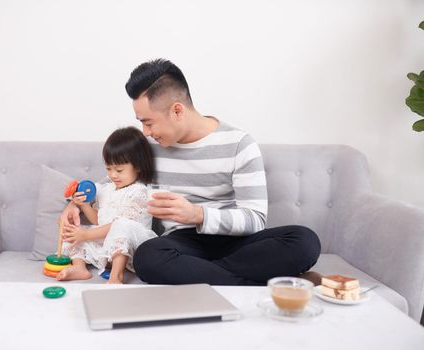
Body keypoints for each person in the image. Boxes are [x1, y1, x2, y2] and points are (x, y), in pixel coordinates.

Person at [62, 59, 322, 286]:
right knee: (147, 257)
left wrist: (197, 214)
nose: (145, 132)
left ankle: (211, 276)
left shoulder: (239, 143)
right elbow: (116, 179)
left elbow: (255, 219)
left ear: (177, 110)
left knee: (305, 241)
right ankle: (260, 281)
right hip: (182, 245)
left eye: (148, 122)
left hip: (235, 242)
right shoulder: (150, 147)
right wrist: (77, 201)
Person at [57, 126, 157, 284]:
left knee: (121, 226)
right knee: (74, 235)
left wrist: (86, 235)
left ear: (138, 166)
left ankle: (115, 276)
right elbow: (99, 221)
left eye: (119, 170)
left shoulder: (139, 192)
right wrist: (84, 206)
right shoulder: (107, 190)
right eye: (109, 169)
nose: (112, 175)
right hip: (106, 244)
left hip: (132, 247)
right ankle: (79, 267)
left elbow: (119, 226)